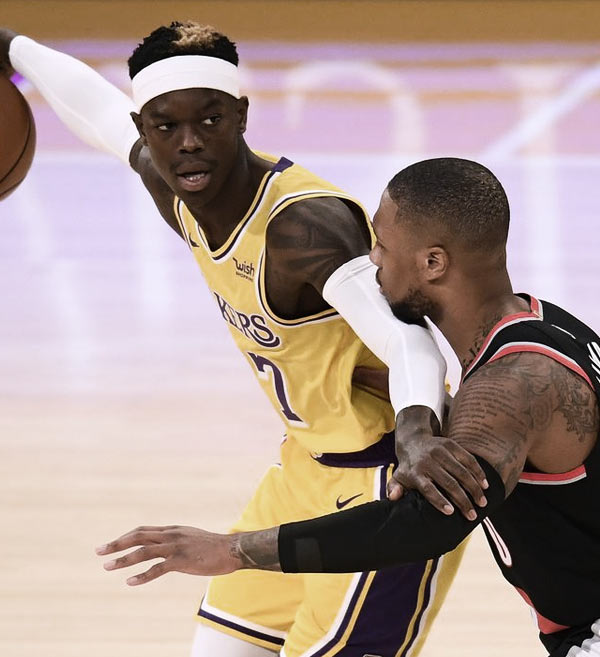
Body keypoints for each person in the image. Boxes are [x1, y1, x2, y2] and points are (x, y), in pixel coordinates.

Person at [0, 23, 484, 657]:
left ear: (242, 116)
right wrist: (12, 47)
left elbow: (407, 340)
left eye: (210, 120)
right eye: (166, 126)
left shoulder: (303, 226)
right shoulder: (176, 187)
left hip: (387, 485)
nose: (190, 142)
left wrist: (418, 435)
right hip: (305, 469)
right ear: (146, 129)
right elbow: (95, 110)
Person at [96, 157, 600, 657]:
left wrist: (233, 550)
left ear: (433, 263)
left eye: (381, 245)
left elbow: (427, 524)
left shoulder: (510, 385)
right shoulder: (548, 327)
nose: (370, 260)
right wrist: (444, 406)